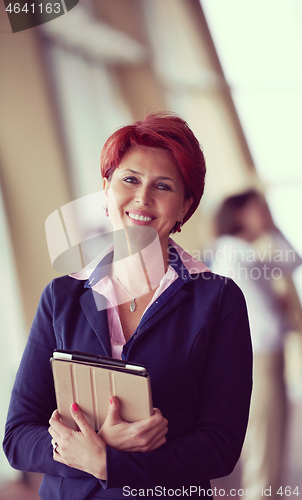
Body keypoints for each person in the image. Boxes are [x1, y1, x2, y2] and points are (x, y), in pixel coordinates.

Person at [3, 113, 252, 500]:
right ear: (106, 190)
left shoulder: (217, 299)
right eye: (130, 179)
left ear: (186, 206)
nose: (142, 198)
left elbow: (220, 447)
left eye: (163, 186)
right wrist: (95, 445)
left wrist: (109, 463)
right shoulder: (61, 297)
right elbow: (18, 437)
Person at [210, 190, 302, 500]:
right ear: (239, 215)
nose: (266, 214)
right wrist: (273, 230)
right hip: (261, 359)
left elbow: (292, 265)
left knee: (266, 448)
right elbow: (291, 264)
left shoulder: (238, 252)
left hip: (263, 358)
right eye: (259, 209)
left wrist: (272, 228)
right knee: (266, 452)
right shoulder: (238, 254)